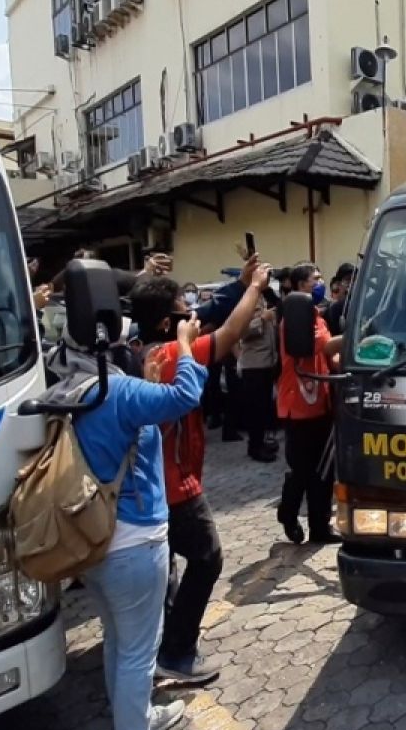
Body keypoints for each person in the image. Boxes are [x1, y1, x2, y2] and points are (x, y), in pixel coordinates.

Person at [50, 314, 206, 730]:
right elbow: (185, 395)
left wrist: (147, 378)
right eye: (134, 344)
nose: (139, 350)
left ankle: (137, 721)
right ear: (113, 349)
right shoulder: (115, 390)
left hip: (94, 539)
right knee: (139, 652)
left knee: (119, 642)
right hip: (135, 543)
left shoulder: (70, 388)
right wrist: (185, 343)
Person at [129, 255, 270, 684]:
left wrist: (239, 284)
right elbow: (229, 333)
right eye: (181, 309)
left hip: (151, 488)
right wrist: (256, 288)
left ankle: (160, 640)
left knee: (167, 567)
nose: (191, 314)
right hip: (176, 488)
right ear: (164, 324)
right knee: (207, 559)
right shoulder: (171, 356)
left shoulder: (142, 352)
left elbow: (209, 316)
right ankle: (177, 651)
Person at [278, 263, 346, 543]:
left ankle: (320, 528)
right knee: (302, 470)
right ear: (300, 286)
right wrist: (358, 335)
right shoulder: (294, 320)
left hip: (321, 402)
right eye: (314, 280)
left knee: (324, 471)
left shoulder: (318, 319)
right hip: (299, 406)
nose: (320, 284)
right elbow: (327, 346)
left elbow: (331, 358)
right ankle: (288, 512)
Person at [238, 290, 280, 462]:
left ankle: (261, 442)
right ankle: (255, 447)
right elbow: (241, 332)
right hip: (253, 365)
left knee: (263, 408)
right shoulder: (246, 302)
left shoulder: (263, 299)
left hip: (266, 363)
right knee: (255, 410)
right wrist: (262, 319)